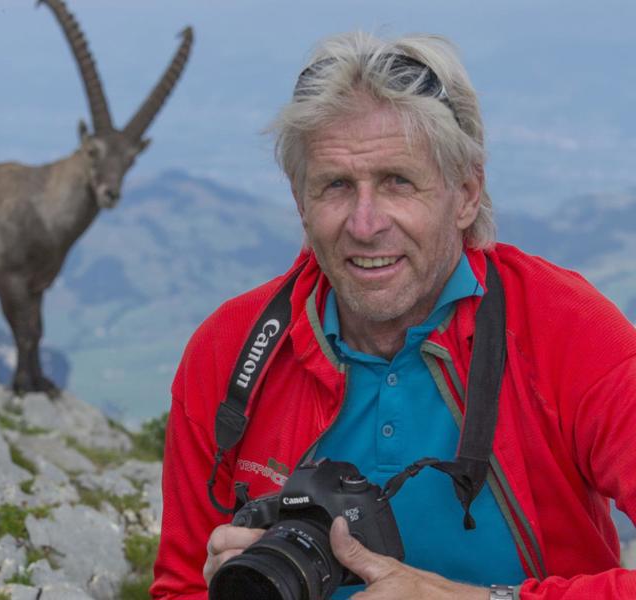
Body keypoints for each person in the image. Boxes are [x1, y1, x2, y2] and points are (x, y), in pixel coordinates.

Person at [151, 31, 636, 600]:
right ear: (299, 201)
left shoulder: (568, 333)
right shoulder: (231, 352)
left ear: (465, 194)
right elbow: (182, 584)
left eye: (396, 182)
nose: (364, 223)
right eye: (335, 185)